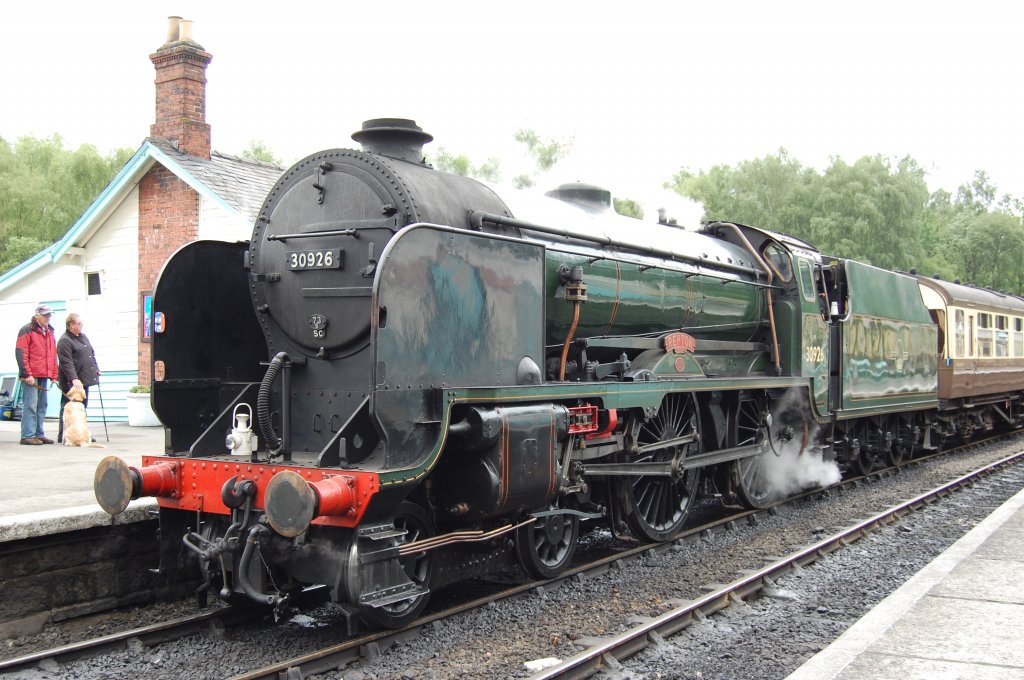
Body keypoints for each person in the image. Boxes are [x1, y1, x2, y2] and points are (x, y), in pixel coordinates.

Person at [15, 304, 59, 445]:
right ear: (37, 315)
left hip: (43, 374)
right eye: (45, 315)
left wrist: (54, 374)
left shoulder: (50, 332)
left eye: (49, 315)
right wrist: (26, 374)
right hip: (31, 375)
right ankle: (27, 435)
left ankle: (39, 434)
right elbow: (21, 352)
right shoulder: (27, 330)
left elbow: (52, 355)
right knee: (31, 405)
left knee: (42, 405)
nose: (48, 318)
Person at [57, 312, 101, 444]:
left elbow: (90, 354)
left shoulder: (83, 337)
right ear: (70, 325)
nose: (81, 326)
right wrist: (73, 379)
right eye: (79, 323)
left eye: (81, 323)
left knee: (82, 407)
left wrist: (96, 368)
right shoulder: (64, 340)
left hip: (84, 377)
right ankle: (64, 435)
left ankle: (81, 433)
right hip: (72, 380)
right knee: (68, 407)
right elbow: (66, 362)